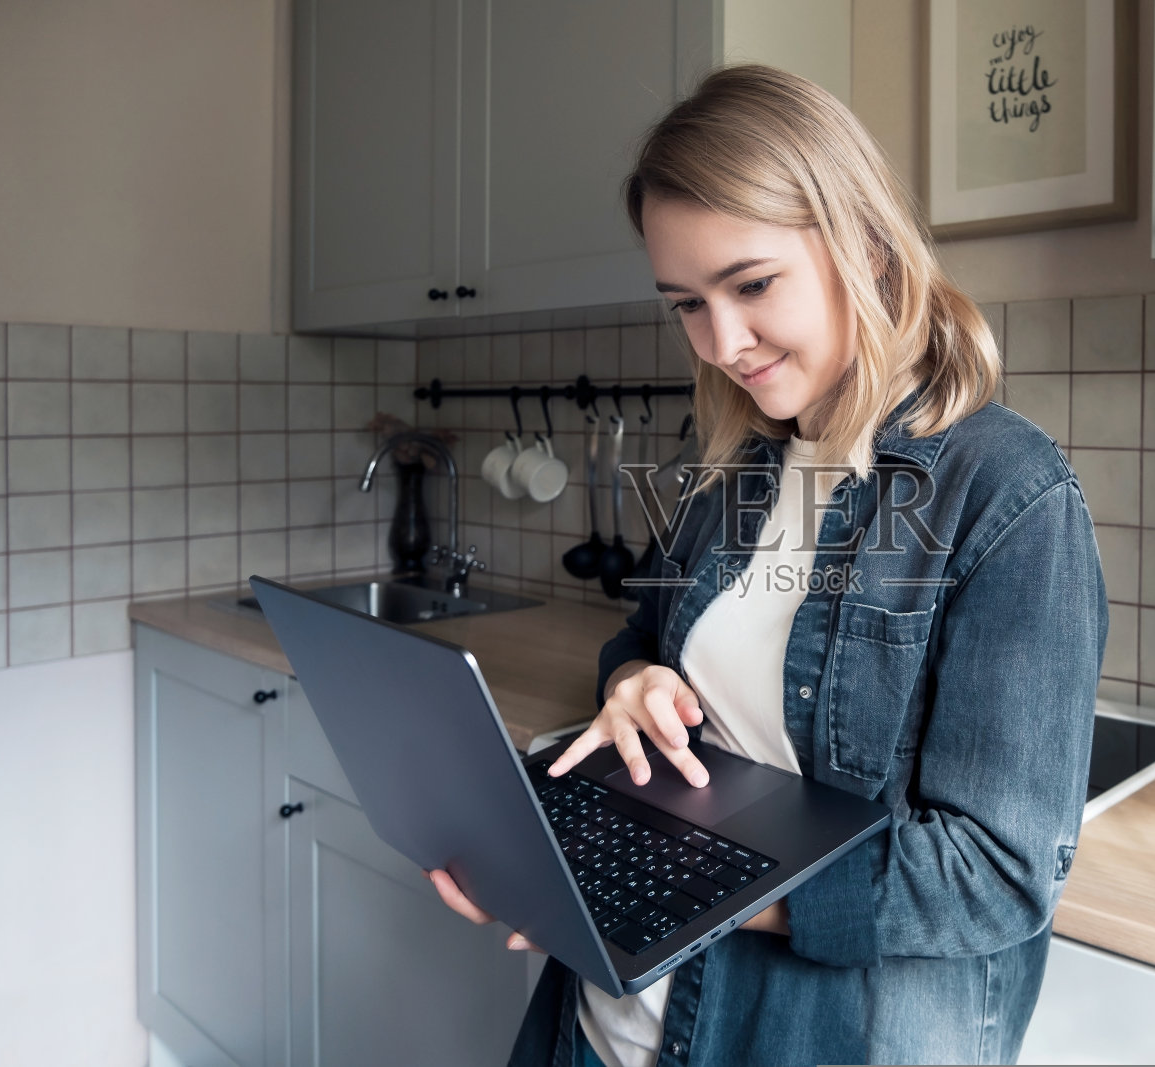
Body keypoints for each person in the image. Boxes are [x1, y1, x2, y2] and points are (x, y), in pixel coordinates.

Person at [429, 63, 1107, 1067]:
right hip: (605, 1022)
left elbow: (995, 873)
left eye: (750, 286)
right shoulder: (738, 468)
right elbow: (644, 637)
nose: (722, 342)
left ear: (863, 244)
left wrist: (677, 884)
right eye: (685, 304)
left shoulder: (1005, 494)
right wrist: (633, 680)